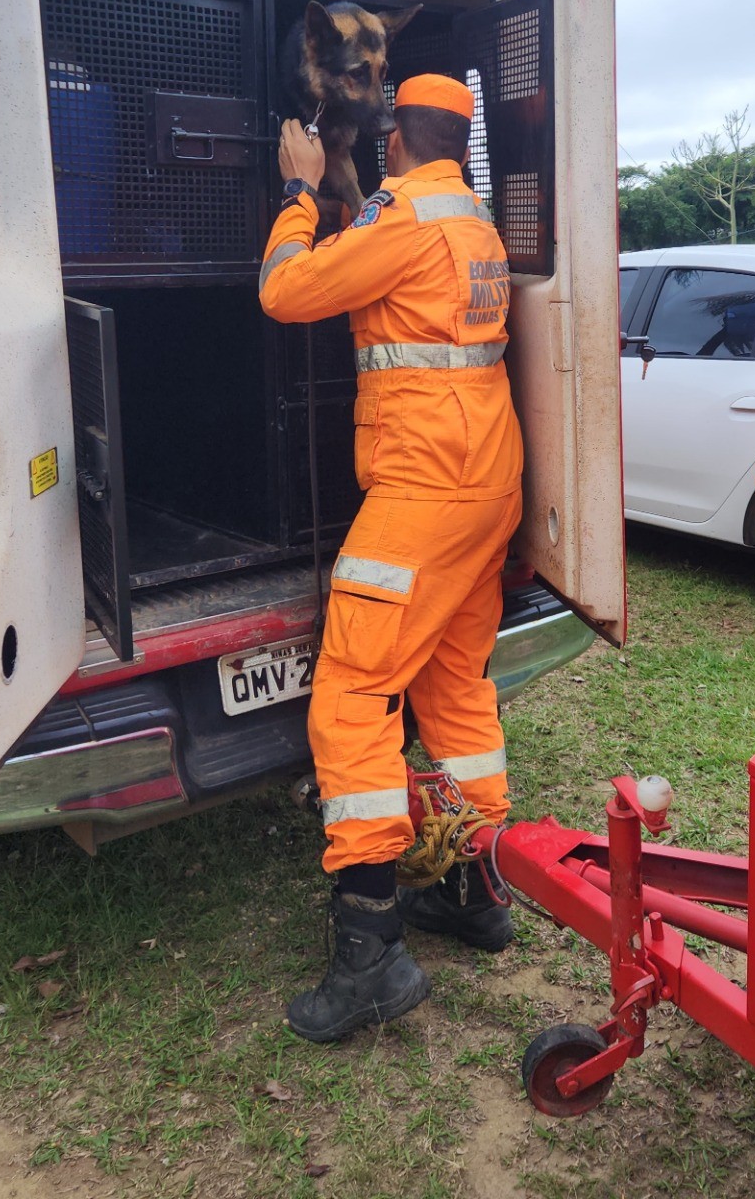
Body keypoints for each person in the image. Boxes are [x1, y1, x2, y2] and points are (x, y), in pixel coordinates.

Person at [259, 73, 523, 1042]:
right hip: (486, 479)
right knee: (454, 691)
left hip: (422, 488)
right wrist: (347, 179)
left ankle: (369, 949)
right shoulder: (473, 220)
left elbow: (288, 290)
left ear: (398, 140)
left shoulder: (406, 218)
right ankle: (475, 885)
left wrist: (297, 192)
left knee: (351, 696)